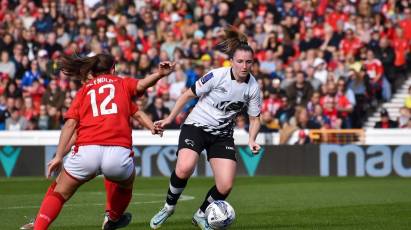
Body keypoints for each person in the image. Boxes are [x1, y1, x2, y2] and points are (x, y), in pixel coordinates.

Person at [31, 53, 174, 230]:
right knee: (125, 182)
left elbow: (70, 126)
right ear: (112, 69)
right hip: (117, 153)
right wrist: (160, 74)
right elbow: (141, 87)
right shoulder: (121, 84)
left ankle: (38, 226)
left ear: (93, 71)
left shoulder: (84, 90)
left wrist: (59, 156)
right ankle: (113, 219)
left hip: (87, 151)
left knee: (59, 191)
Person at [149, 26, 262, 230]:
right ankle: (169, 207)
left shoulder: (253, 87)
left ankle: (201, 215)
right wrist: (169, 118)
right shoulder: (216, 75)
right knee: (184, 168)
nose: (244, 66)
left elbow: (255, 118)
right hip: (197, 126)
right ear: (231, 61)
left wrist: (252, 139)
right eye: (240, 61)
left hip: (222, 135)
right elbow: (187, 95)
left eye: (248, 62)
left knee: (225, 186)